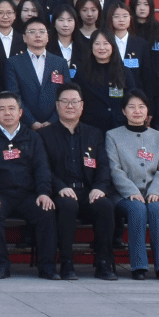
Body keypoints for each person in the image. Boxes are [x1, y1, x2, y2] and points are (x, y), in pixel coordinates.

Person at [39, 84, 118, 281]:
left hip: (89, 191)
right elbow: (43, 168)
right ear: (57, 105)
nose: (70, 106)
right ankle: (67, 263)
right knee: (67, 206)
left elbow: (104, 166)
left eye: (75, 102)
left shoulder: (94, 134)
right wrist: (60, 187)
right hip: (61, 192)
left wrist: (99, 188)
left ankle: (103, 263)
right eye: (65, 101)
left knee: (105, 206)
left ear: (82, 106)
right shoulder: (44, 135)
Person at [0, 92, 57, 280]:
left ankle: (47, 267)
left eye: (12, 108)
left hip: (28, 194)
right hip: (0, 194)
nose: (7, 113)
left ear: (20, 112)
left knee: (46, 210)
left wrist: (44, 192)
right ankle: (1, 265)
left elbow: (42, 168)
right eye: (2, 109)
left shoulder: (33, 137)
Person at [107, 91, 159, 280]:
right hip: (123, 194)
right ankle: (139, 266)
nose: (137, 111)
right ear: (123, 111)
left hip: (154, 192)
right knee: (137, 208)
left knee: (157, 209)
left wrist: (156, 191)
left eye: (141, 107)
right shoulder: (113, 136)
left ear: (147, 111)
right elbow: (114, 169)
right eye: (131, 107)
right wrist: (131, 191)